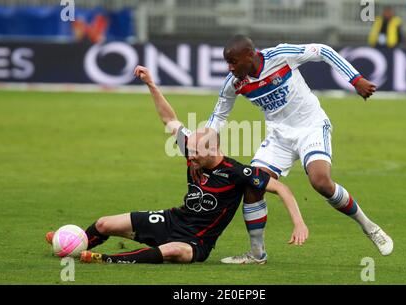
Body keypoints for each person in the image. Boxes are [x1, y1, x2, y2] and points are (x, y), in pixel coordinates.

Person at [45, 65, 309, 264]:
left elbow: (283, 190)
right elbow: (168, 119)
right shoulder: (192, 150)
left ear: (213, 149)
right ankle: (75, 244)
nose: (189, 157)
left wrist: (298, 223)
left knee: (175, 250)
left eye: (195, 153)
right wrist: (151, 83)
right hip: (172, 220)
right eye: (189, 151)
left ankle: (109, 259)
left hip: (197, 241)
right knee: (103, 224)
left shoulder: (237, 173)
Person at [202, 35, 393, 264]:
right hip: (279, 137)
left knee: (321, 182)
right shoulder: (234, 83)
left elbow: (323, 50)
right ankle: (256, 253)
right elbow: (219, 116)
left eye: (233, 62)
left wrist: (356, 79)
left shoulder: (280, 56)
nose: (230, 68)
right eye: (227, 63)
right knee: (253, 184)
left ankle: (369, 227)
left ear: (250, 56)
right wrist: (202, 143)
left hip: (310, 127)